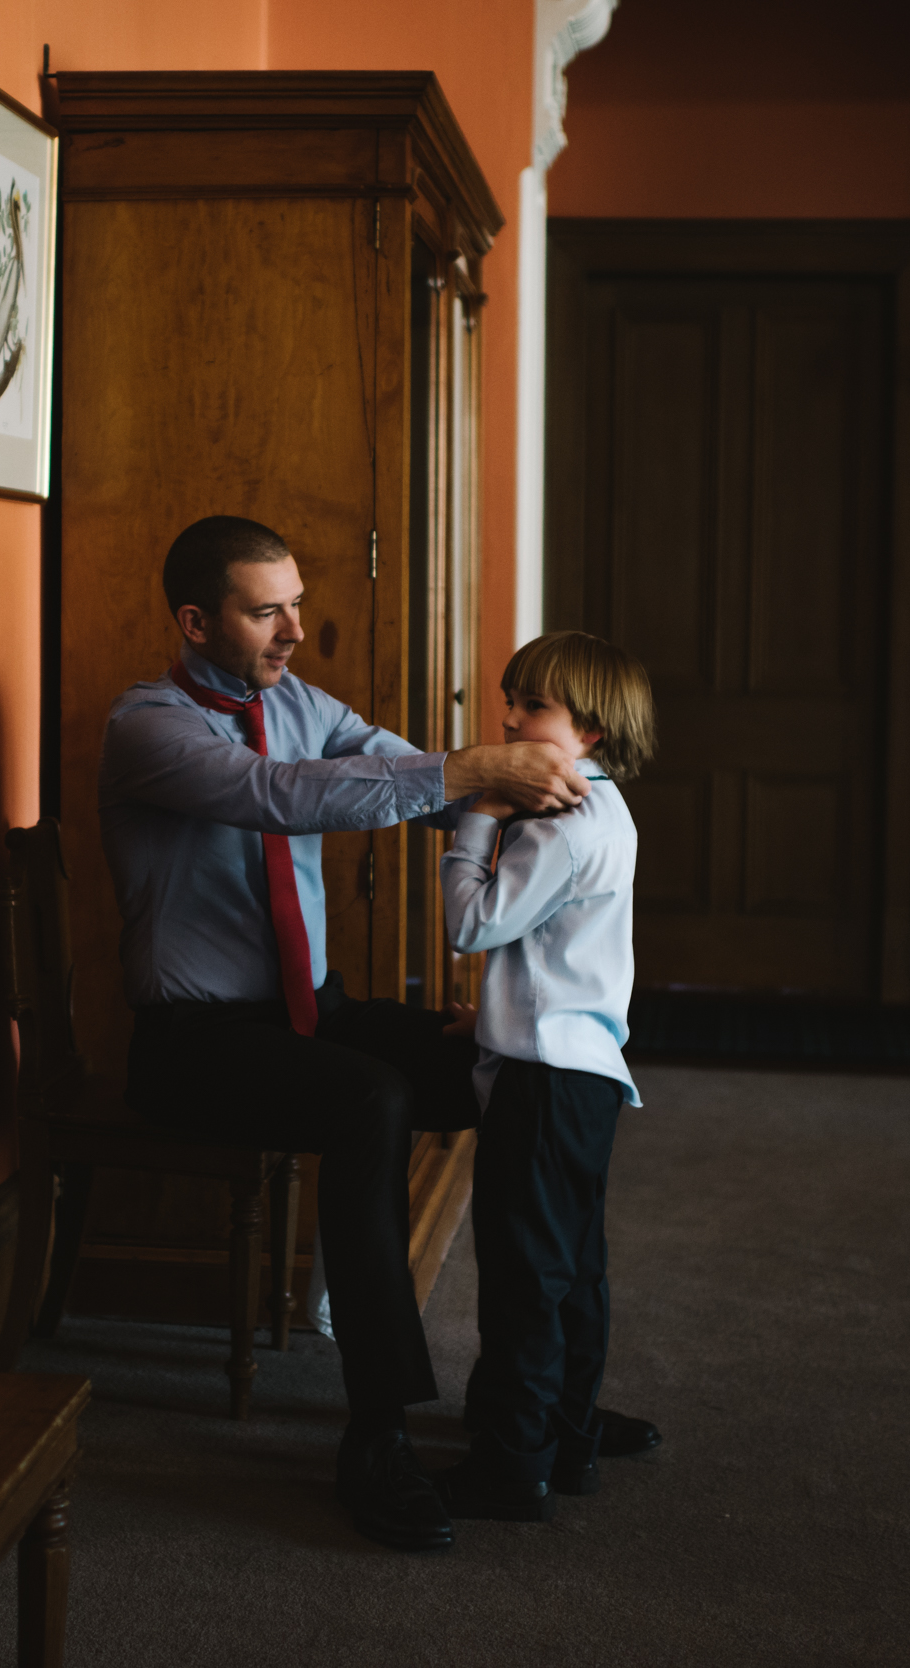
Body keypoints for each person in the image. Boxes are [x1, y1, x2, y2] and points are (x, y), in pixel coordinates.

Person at [101, 515, 589, 1553]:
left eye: (296, 602)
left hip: (309, 1010)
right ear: (197, 621)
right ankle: (376, 1435)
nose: (294, 631)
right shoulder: (147, 727)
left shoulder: (305, 705)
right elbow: (279, 799)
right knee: (369, 1097)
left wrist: (538, 791)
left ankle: (536, 1398)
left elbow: (409, 785)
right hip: (193, 1040)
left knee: (519, 1068)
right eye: (265, 608)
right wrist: (465, 773)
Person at [432, 630, 662, 1524]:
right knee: (574, 1269)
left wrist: (478, 815)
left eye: (532, 706)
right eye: (511, 698)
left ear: (591, 733)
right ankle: (564, 1440)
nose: (509, 717)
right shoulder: (607, 812)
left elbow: (473, 925)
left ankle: (511, 1465)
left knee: (524, 1276)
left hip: (541, 1082)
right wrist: (486, 1017)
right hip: (585, 1073)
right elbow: (559, 953)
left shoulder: (555, 830)